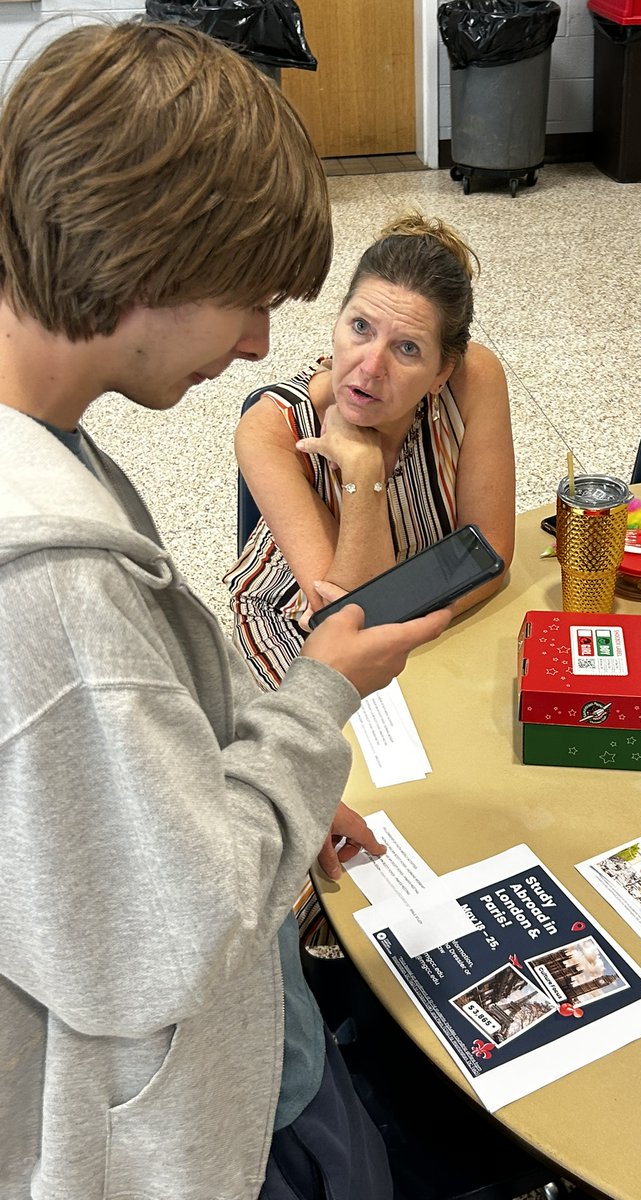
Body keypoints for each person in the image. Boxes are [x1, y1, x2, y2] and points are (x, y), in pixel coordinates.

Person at [0, 21, 449, 1200]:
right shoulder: (50, 576)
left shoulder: (47, 445)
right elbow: (180, 925)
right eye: (246, 298)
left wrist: (236, 777)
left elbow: (102, 781)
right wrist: (317, 702)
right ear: (140, 257)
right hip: (156, 1126)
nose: (258, 342)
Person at [225, 210, 516, 692]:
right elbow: (351, 621)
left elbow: (489, 551)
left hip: (428, 619)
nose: (370, 366)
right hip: (298, 628)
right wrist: (363, 470)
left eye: (407, 349)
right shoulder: (269, 429)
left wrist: (409, 623)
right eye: (360, 327)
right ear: (337, 321)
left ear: (441, 372)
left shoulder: (473, 377)